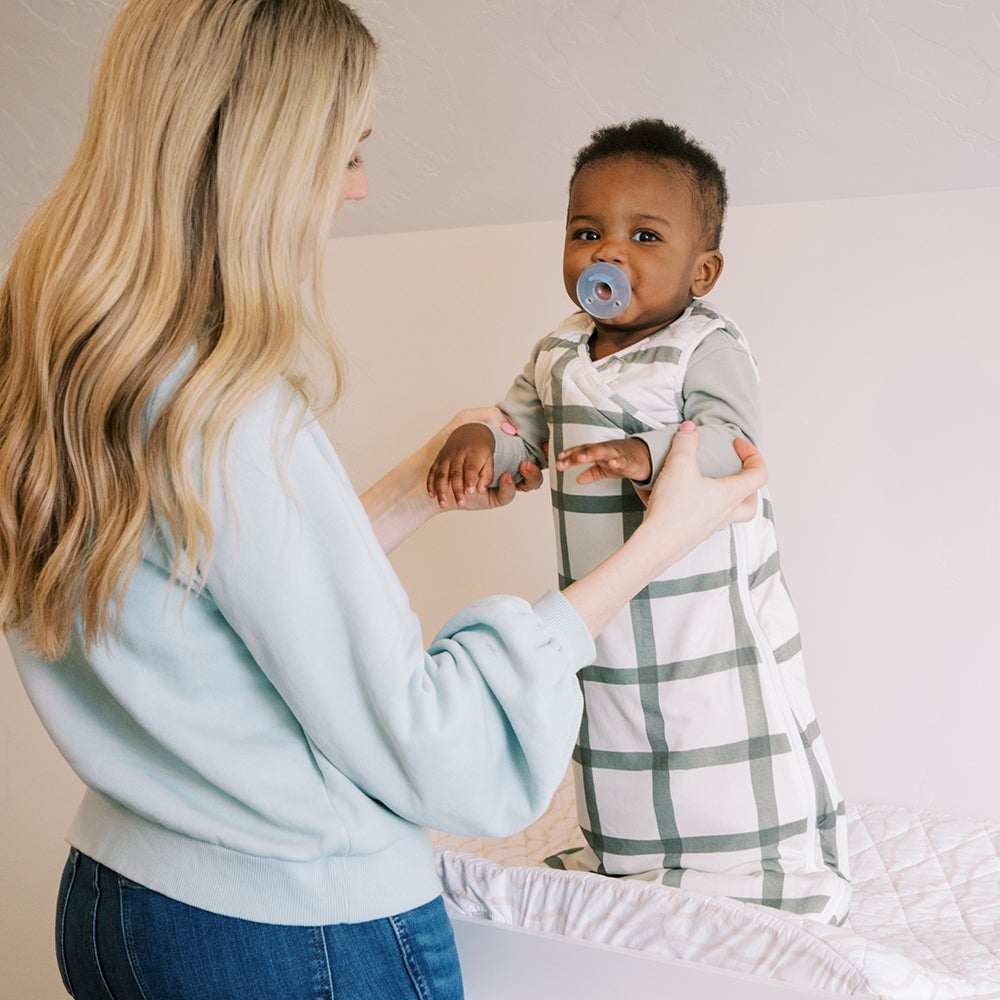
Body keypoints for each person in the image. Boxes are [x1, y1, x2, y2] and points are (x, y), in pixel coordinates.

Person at [0, 5, 767, 999]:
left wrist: (412, 490)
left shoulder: (71, 348)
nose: (361, 185)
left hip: (115, 901)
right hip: (281, 927)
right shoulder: (231, 409)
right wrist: (652, 546)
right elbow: (433, 744)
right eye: (348, 150)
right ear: (268, 156)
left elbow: (206, 600)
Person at [428, 119, 851, 924]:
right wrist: (480, 437)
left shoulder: (706, 346)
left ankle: (760, 870)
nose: (607, 254)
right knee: (620, 726)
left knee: (712, 729)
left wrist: (647, 451)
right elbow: (522, 423)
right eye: (587, 232)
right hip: (604, 607)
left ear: (704, 269)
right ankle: (631, 860)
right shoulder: (559, 350)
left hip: (702, 606)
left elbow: (735, 444)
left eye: (643, 236)